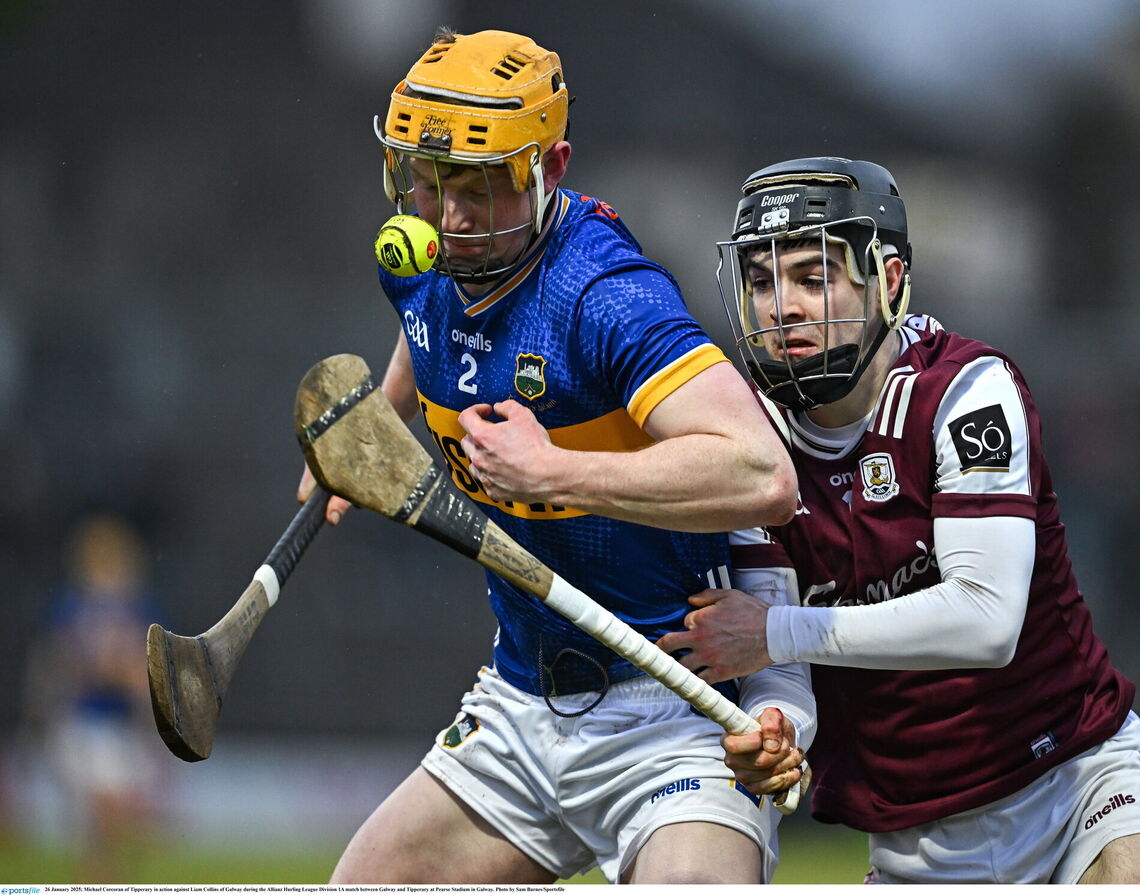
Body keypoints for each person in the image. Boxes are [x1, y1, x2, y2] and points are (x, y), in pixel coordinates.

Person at [297, 28, 798, 884]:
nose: (450, 219)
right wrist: (371, 427)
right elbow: (430, 333)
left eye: (482, 189)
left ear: (552, 166)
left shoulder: (609, 298)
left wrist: (554, 471)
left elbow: (765, 475)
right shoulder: (427, 255)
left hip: (668, 714)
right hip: (519, 703)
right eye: (427, 180)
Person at [657, 157, 1140, 884]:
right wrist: (782, 728)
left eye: (813, 278)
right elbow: (779, 662)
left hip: (1077, 782)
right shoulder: (755, 445)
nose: (781, 307)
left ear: (885, 281)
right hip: (916, 838)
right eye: (761, 281)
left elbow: (986, 618)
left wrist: (771, 635)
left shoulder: (967, 391)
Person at [23, 512, 163, 882]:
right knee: (104, 819)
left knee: (122, 831)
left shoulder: (139, 608)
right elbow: (73, 667)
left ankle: (103, 877)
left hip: (120, 729)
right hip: (84, 726)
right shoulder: (72, 607)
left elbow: (141, 675)